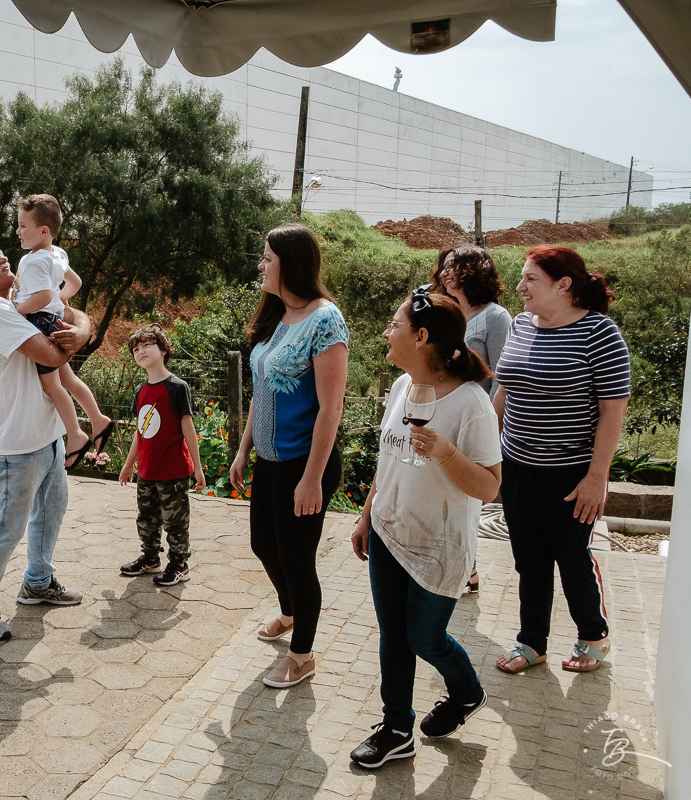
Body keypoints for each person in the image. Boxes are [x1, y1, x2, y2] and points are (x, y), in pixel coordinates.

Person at [348, 287, 502, 769]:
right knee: (393, 634)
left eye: (394, 326)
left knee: (424, 638)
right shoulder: (400, 388)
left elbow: (489, 487)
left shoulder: (471, 404)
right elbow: (388, 460)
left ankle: (467, 692)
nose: (386, 333)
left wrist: (445, 452)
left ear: (421, 336)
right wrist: (367, 514)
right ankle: (396, 729)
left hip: (439, 544)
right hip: (391, 534)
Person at [0, 238, 94, 641]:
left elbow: (72, 312)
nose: (4, 256)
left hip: (44, 433)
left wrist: (77, 329)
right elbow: (51, 354)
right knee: (10, 523)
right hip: (14, 441)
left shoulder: (11, 305)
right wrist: (78, 333)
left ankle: (38, 582)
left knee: (50, 511)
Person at [493, 245, 630, 674]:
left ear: (563, 285)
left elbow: (613, 410)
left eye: (530, 279)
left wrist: (596, 477)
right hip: (517, 464)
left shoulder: (599, 333)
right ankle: (531, 642)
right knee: (528, 558)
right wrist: (485, 451)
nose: (520, 287)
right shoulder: (519, 325)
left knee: (571, 557)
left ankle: (593, 634)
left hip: (572, 472)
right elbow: (503, 392)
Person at [228, 223, 348, 689]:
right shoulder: (281, 316)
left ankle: (302, 656)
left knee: (298, 560)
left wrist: (313, 477)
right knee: (264, 546)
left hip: (305, 463)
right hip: (270, 461)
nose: (261, 265)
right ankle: (291, 611)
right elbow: (262, 390)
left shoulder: (325, 320)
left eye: (267, 258)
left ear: (290, 264)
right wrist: (243, 449)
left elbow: (330, 407)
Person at [432, 244, 512, 593]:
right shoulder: (447, 312)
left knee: (466, 495)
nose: (445, 273)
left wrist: (493, 426)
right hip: (442, 414)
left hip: (477, 419)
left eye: (455, 267)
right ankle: (467, 569)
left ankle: (464, 566)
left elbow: (502, 378)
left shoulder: (496, 317)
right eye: (444, 267)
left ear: (475, 273)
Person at [13, 194, 114, 468]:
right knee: (68, 379)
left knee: (53, 386)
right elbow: (75, 282)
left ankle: (76, 435)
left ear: (43, 230)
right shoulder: (58, 253)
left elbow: (44, 296)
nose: (17, 231)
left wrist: (18, 309)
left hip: (39, 323)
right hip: (54, 321)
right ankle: (97, 418)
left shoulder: (32, 261)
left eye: (23, 226)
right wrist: (62, 299)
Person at [117, 324, 207, 586]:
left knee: (175, 520)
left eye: (147, 345)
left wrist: (198, 468)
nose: (141, 351)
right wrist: (128, 464)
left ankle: (179, 565)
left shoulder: (177, 387)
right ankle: (150, 557)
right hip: (147, 470)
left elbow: (187, 428)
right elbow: (140, 431)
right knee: (147, 517)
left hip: (173, 471)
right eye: (136, 349)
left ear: (164, 350)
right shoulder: (140, 390)